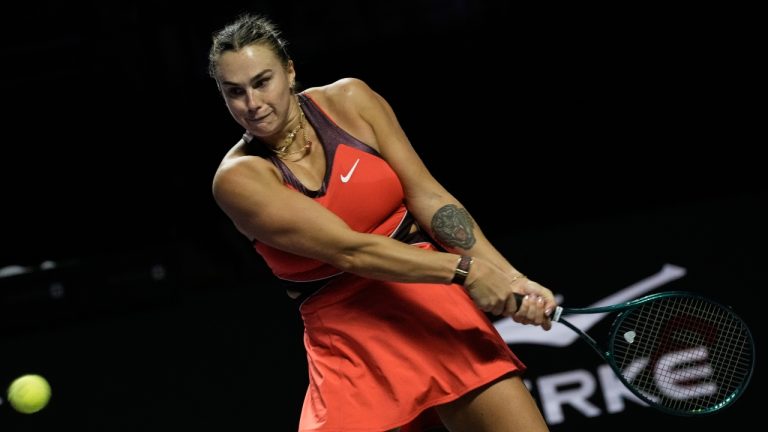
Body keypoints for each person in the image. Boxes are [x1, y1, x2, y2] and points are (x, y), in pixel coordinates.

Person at [208, 13, 557, 432]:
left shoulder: (351, 101)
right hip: (351, 345)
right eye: (235, 92)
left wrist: (510, 276)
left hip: (434, 309)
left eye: (262, 82)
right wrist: (466, 272)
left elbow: (429, 196)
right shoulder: (239, 179)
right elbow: (351, 250)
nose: (252, 103)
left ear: (289, 70)